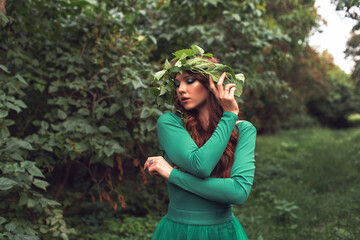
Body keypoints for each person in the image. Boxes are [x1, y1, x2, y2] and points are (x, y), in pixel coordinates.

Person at [144, 56, 257, 240]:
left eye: (189, 80)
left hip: (223, 233)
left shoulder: (244, 130)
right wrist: (229, 115)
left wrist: (172, 174)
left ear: (211, 82)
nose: (181, 89)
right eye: (177, 83)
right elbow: (201, 165)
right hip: (178, 232)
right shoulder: (171, 123)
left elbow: (238, 192)